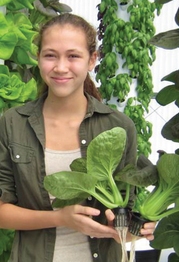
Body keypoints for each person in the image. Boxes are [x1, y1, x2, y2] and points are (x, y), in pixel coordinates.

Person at [0, 13, 155, 262]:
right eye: (50, 55)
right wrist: (59, 218)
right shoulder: (12, 123)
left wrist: (134, 229)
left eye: (73, 56)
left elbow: (126, 208)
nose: (61, 67)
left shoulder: (118, 126)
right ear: (38, 58)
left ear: (92, 60)